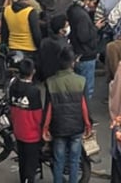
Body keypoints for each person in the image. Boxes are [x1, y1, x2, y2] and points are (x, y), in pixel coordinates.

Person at [44, 48, 92, 183]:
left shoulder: (51, 82)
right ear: (72, 63)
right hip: (76, 127)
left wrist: (45, 128)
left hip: (58, 128)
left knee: (58, 161)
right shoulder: (81, 81)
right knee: (74, 161)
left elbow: (48, 108)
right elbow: (84, 107)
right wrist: (88, 125)